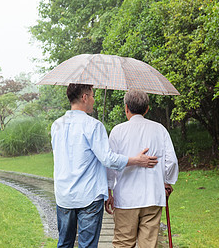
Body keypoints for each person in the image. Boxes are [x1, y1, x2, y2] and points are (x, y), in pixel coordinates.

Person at [51, 83, 159, 248]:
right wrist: (136, 160)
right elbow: (108, 159)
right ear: (84, 97)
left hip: (64, 195)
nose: (94, 100)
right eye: (92, 95)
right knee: (87, 245)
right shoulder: (93, 126)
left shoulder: (56, 125)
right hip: (88, 196)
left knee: (64, 243)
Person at [105, 89, 179, 248]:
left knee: (123, 244)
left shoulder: (118, 131)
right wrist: (167, 181)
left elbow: (110, 164)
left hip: (125, 199)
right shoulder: (159, 129)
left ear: (126, 108)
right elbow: (171, 161)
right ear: (146, 109)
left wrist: (109, 190)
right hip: (152, 196)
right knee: (148, 244)